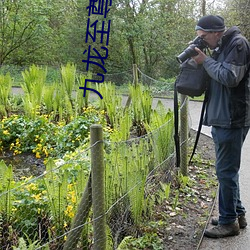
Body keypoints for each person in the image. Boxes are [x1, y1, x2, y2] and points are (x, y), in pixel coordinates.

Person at [192, 15, 250, 238]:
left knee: (225, 171)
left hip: (232, 118)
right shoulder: (221, 46)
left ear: (216, 32)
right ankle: (237, 214)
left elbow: (229, 77)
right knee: (227, 171)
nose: (203, 41)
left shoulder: (238, 44)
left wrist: (205, 61)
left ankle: (228, 223)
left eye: (204, 37)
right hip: (222, 117)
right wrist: (202, 59)